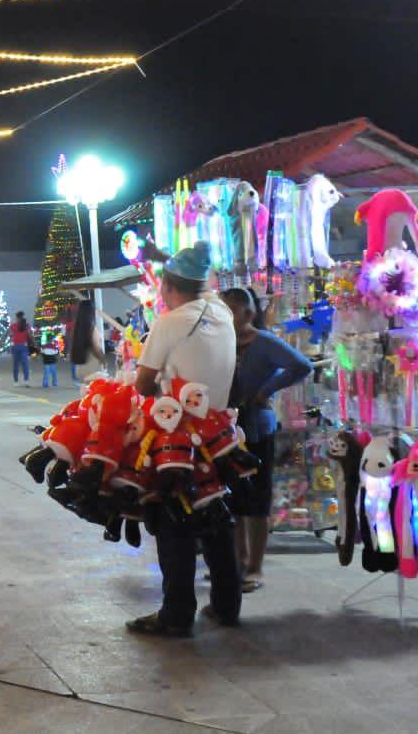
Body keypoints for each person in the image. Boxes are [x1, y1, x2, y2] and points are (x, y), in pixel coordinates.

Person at [127, 242, 239, 637]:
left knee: (172, 521)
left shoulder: (170, 322)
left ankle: (176, 615)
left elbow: (143, 384)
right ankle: (226, 605)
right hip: (220, 434)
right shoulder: (222, 313)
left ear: (168, 287)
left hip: (177, 439)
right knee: (215, 516)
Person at [222, 287, 312, 593]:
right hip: (228, 429)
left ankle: (255, 568)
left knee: (257, 499)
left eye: (231, 310)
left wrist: (266, 390)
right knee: (232, 496)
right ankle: (237, 562)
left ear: (248, 313)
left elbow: (302, 365)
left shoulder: (264, 342)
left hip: (258, 427)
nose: (226, 316)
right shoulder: (222, 341)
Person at [8, 310, 33, 386]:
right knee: (25, 364)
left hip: (15, 346)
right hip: (24, 346)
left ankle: (16, 381)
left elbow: (8, 334)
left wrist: (1, 343)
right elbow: (30, 336)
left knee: (16, 364)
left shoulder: (13, 326)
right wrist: (34, 344)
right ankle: (26, 380)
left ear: (17, 318)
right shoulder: (27, 326)